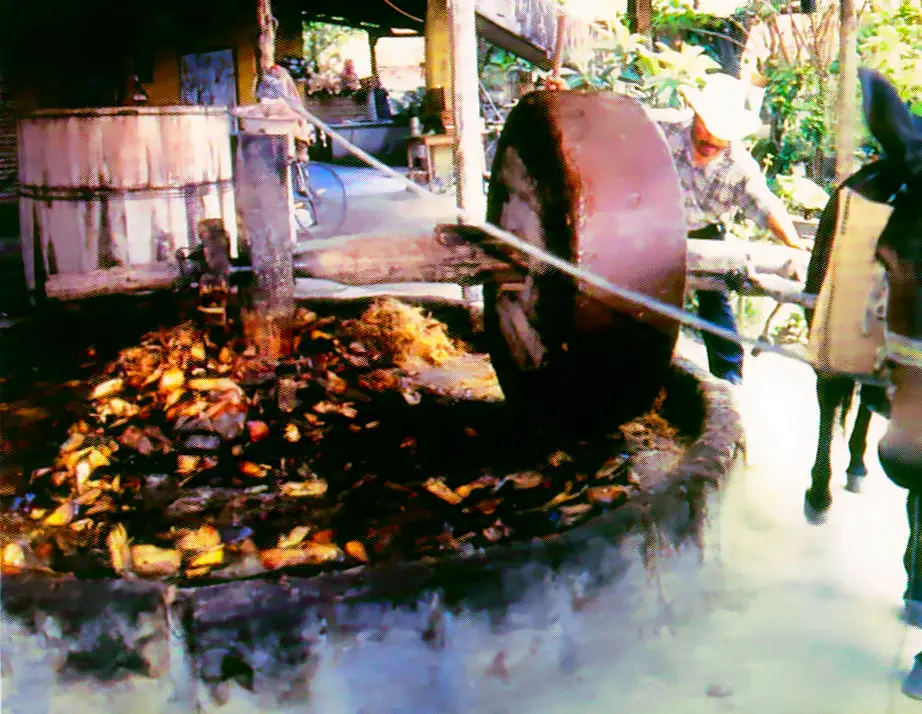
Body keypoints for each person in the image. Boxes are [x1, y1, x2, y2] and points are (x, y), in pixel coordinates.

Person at [657, 72, 809, 385]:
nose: (711, 140)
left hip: (704, 233)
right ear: (696, 115)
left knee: (715, 297)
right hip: (653, 225)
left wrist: (795, 247)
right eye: (706, 128)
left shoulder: (740, 167)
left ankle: (729, 378)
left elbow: (766, 207)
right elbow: (611, 121)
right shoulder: (660, 128)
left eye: (720, 135)